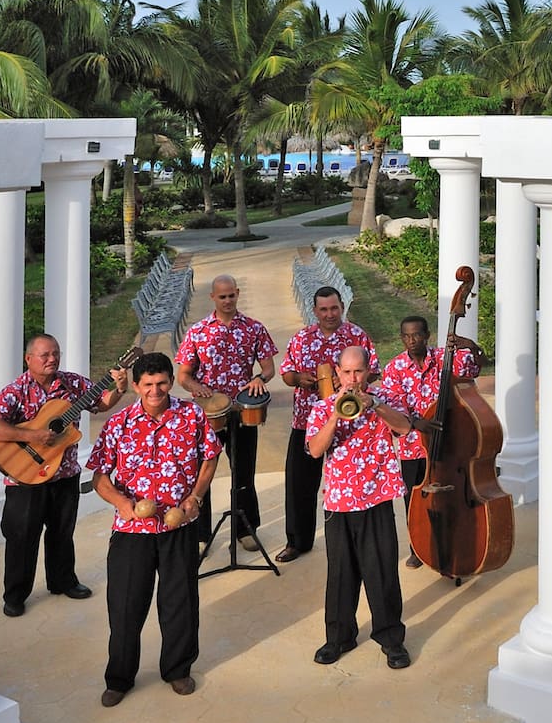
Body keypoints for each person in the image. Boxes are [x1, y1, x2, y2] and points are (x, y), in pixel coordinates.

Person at [86, 351, 222, 706]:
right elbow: (100, 476)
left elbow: (210, 456)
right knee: (125, 606)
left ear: (171, 381)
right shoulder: (118, 424)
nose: (155, 390)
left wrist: (195, 497)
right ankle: (119, 677)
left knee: (180, 602)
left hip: (178, 527)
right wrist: (122, 504)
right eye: (147, 384)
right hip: (132, 532)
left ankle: (177, 670)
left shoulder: (192, 415)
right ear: (135, 386)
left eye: (161, 382)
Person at [0, 333, 125, 618]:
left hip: (64, 475)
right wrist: (33, 434)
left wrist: (118, 388)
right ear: (29, 359)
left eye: (55, 353)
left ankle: (63, 582)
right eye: (45, 355)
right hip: (25, 478)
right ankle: (15, 594)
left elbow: (102, 402)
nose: (52, 359)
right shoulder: (16, 390)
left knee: (62, 533)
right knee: (22, 537)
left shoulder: (72, 383)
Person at [306, 345, 414, 669]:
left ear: (368, 372)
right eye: (347, 372)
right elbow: (314, 450)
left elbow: (405, 428)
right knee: (340, 576)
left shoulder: (382, 400)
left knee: (382, 573)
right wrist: (336, 416)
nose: (352, 379)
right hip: (340, 503)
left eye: (358, 372)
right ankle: (338, 638)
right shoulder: (323, 407)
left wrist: (375, 404)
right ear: (337, 374)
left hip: (377, 498)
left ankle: (391, 639)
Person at [175, 275, 277, 552]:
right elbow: (183, 375)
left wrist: (259, 378)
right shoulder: (198, 332)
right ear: (213, 298)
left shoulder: (254, 328)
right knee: (201, 473)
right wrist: (197, 387)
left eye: (232, 295)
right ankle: (200, 533)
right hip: (208, 414)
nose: (228, 300)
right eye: (222, 297)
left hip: (243, 411)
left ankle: (246, 529)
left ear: (237, 294)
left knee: (243, 472)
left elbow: (269, 368)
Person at [275, 286, 375, 564]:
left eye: (334, 308)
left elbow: (374, 370)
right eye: (323, 309)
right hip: (307, 419)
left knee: (352, 482)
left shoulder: (357, 336)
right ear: (315, 310)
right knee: (299, 483)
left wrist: (351, 383)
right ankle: (297, 541)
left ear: (341, 306)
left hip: (349, 425)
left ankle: (355, 540)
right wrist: (300, 379)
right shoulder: (302, 338)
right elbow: (286, 373)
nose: (329, 314)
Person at [379, 314, 482, 568]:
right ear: (401, 337)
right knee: (414, 500)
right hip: (413, 447)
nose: (411, 340)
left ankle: (455, 540)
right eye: (406, 336)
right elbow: (394, 407)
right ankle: (417, 546)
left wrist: (471, 345)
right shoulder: (394, 368)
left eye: (416, 335)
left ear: (427, 336)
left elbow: (475, 367)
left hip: (449, 443)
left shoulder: (443, 358)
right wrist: (416, 423)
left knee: (452, 496)